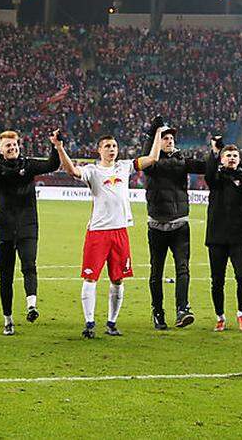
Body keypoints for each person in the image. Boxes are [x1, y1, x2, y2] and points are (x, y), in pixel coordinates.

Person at [54, 127, 163, 338]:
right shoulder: (92, 171)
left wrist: (158, 132)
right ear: (99, 150)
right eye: (107, 146)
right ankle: (89, 323)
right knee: (90, 278)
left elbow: (153, 157)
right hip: (98, 232)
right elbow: (72, 171)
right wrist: (60, 148)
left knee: (118, 280)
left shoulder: (124, 167)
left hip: (120, 231)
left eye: (114, 146)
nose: (112, 149)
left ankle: (112, 323)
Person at [0, 129, 60, 336]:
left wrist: (54, 145)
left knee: (29, 265)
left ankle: (31, 305)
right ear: (1, 149)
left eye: (15, 145)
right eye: (8, 145)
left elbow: (52, 165)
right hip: (4, 228)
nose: (13, 148)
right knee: (5, 277)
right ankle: (8, 320)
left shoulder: (28, 164)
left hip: (27, 225)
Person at [141, 119, 209, 330]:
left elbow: (205, 166)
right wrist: (154, 131)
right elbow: (150, 160)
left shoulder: (181, 160)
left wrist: (218, 154)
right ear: (156, 143)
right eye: (165, 138)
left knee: (182, 269)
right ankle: (158, 312)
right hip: (157, 226)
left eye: (171, 138)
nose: (169, 141)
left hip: (179, 225)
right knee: (156, 272)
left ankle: (182, 310)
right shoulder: (150, 163)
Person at [204, 142, 242, 332]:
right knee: (217, 280)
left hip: (238, 236)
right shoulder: (216, 178)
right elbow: (208, 175)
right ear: (222, 159)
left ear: (239, 160)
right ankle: (220, 317)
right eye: (227, 155)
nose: (231, 158)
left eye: (234, 156)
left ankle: (241, 314)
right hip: (216, 236)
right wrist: (214, 151)